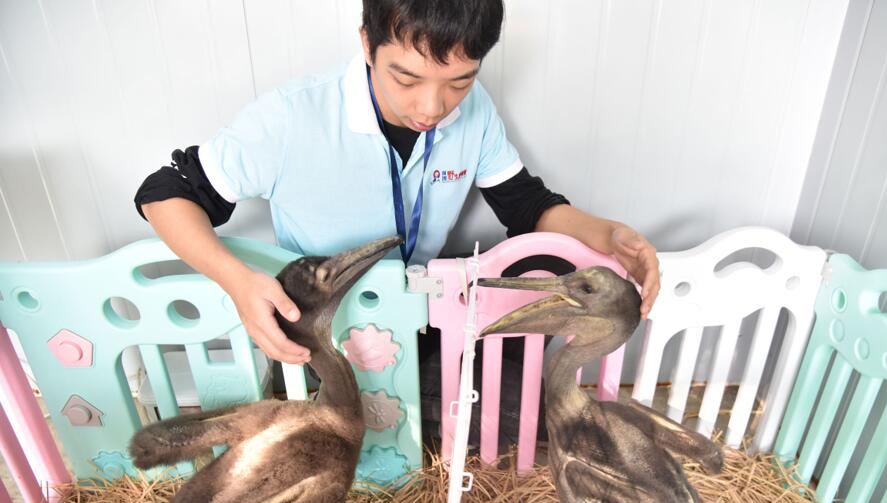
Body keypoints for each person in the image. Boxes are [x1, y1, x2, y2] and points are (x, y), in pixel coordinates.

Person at [134, 0, 660, 432]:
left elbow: (527, 205)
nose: (432, 107)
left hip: (419, 310)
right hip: (332, 334)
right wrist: (239, 284)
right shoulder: (291, 117)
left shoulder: (474, 113)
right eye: (406, 78)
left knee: (528, 389)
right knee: (505, 418)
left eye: (459, 81)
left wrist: (609, 234)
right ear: (367, 43)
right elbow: (162, 194)